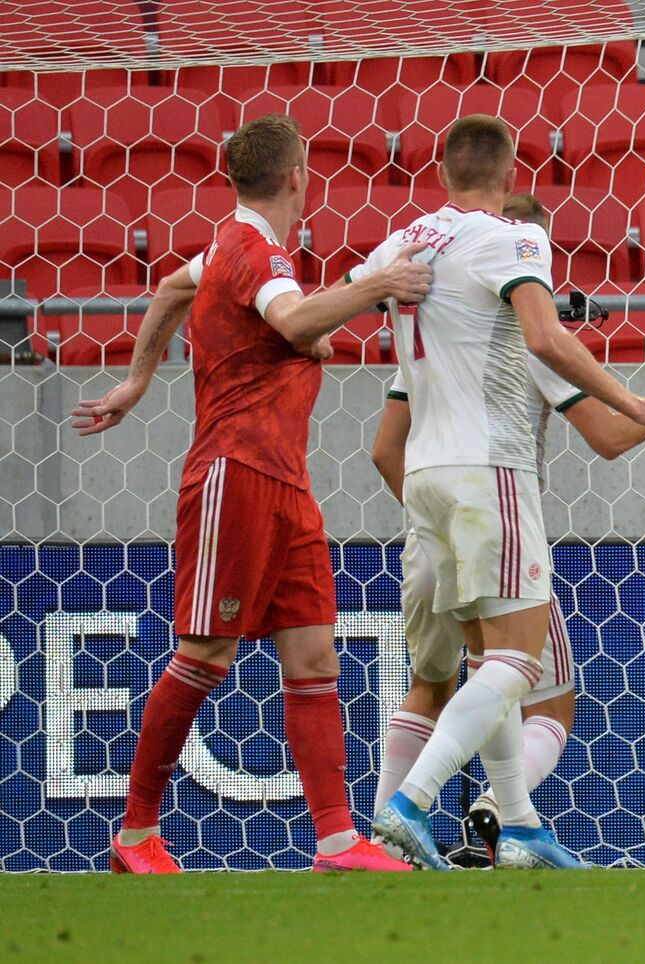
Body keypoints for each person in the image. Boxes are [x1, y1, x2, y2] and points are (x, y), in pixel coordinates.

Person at [69, 113, 434, 873]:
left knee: (314, 654)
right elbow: (293, 318)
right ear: (298, 176)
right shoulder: (252, 247)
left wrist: (138, 380)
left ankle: (336, 841)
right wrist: (375, 285)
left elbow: (173, 287)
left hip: (285, 480)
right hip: (234, 472)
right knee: (206, 652)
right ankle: (135, 834)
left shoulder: (229, 249)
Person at [362, 116, 645, 870]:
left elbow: (352, 324)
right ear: (511, 177)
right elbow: (549, 344)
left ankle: (519, 824)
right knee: (522, 662)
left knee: (475, 668)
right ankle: (409, 804)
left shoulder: (406, 247)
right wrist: (644, 401)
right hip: (490, 472)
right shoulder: (513, 245)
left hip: (424, 480)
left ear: (440, 173)